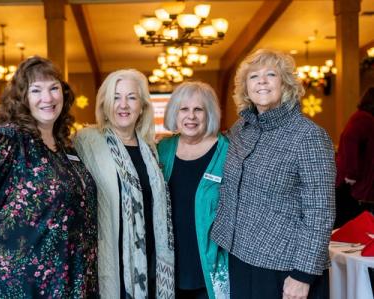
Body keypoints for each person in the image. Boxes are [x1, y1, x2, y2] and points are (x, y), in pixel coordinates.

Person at [0, 56, 98, 298]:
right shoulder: (10, 139)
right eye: (36, 90)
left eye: (54, 88)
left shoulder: (65, 148)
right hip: (16, 283)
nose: (48, 97)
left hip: (64, 279)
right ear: (21, 99)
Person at [211, 49, 335, 299]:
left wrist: (303, 275)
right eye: (254, 76)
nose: (262, 81)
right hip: (239, 256)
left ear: (286, 84)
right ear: (246, 88)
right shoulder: (241, 129)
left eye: (271, 74)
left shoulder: (308, 136)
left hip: (285, 267)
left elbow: (320, 211)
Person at [73, 69, 175, 298]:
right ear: (105, 104)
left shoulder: (150, 149)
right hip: (110, 257)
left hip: (151, 258)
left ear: (142, 107)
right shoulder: (87, 142)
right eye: (116, 97)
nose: (123, 105)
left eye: (131, 97)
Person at [157, 81, 230, 299]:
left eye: (199, 109)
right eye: (184, 109)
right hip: (169, 266)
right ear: (174, 113)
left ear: (210, 114)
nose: (191, 116)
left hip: (212, 264)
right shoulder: (162, 149)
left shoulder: (227, 152)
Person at [334, 87, 374, 227]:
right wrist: (350, 176)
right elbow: (352, 145)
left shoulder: (363, 119)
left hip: (355, 185)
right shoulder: (364, 119)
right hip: (354, 186)